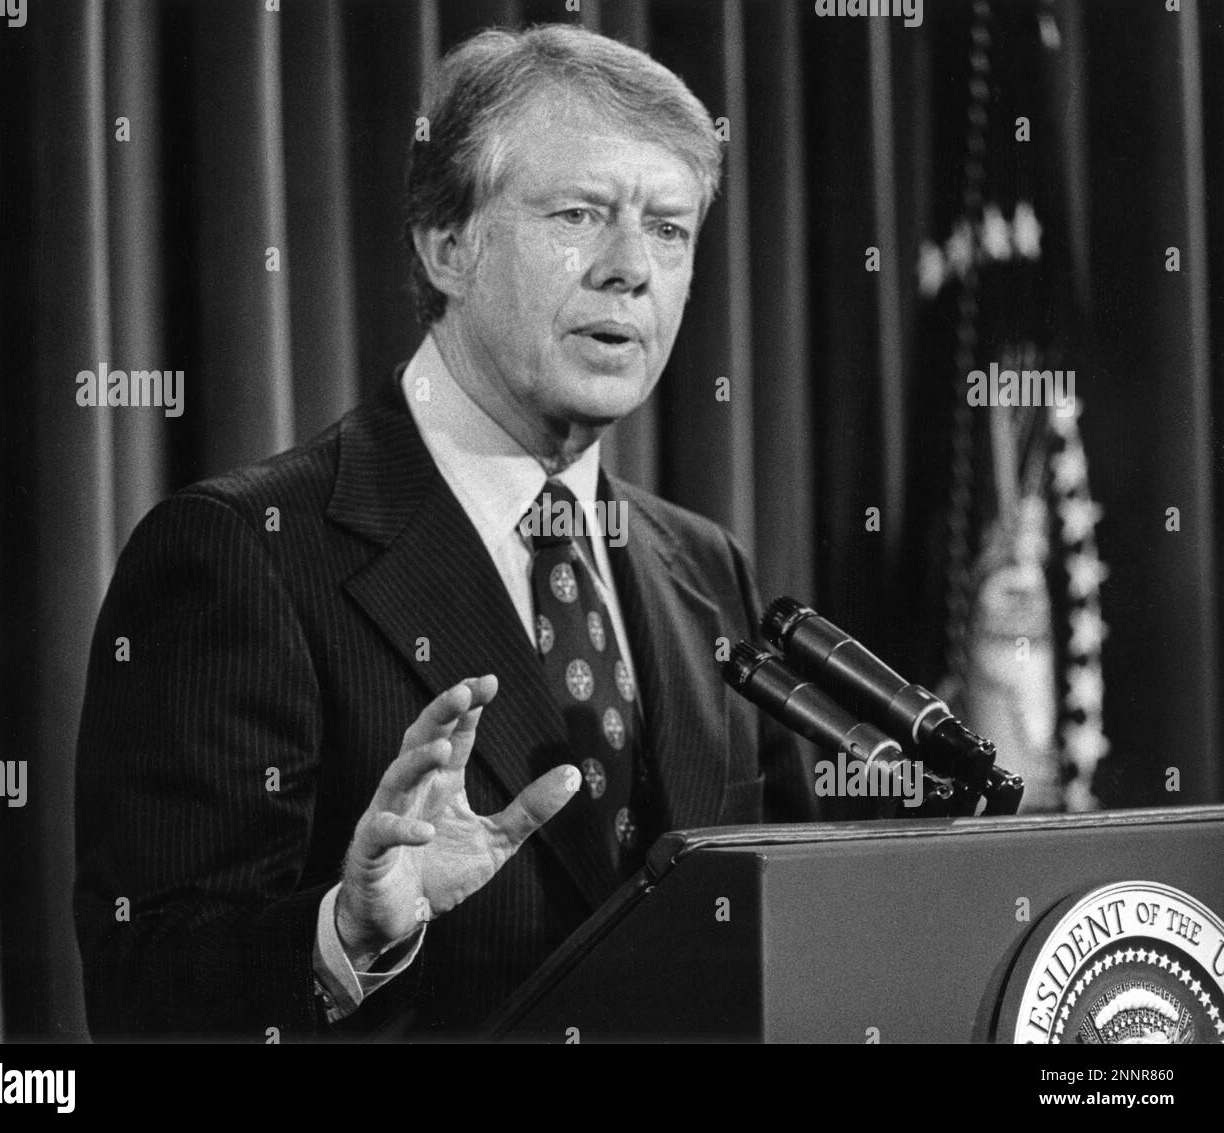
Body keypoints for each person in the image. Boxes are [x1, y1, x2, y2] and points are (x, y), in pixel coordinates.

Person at [74, 23, 816, 1042]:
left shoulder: (705, 568)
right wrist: (350, 931)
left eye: (671, 227)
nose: (632, 268)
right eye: (579, 213)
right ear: (447, 244)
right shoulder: (244, 553)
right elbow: (144, 990)